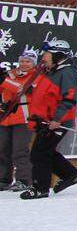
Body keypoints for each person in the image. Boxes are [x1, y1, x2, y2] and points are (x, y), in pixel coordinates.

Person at [22, 39, 77, 200]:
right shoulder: (50, 71)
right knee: (44, 151)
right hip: (44, 120)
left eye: (47, 55)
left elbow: (69, 98)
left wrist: (57, 119)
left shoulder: (67, 72)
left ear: (57, 55)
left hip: (57, 121)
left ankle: (40, 188)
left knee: (39, 153)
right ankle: (70, 175)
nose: (44, 57)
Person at [0, 50, 40, 192]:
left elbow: (23, 90)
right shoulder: (11, 74)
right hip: (6, 116)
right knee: (3, 149)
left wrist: (5, 81)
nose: (24, 64)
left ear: (33, 63)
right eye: (22, 60)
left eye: (28, 61)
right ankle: (3, 179)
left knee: (19, 150)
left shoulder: (37, 76)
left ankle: (24, 180)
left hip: (24, 116)